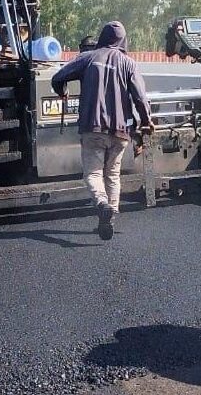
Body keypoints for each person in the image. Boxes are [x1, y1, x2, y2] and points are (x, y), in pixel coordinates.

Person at [51, 21, 152, 240]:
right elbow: (141, 99)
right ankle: (110, 218)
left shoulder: (88, 58)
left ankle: (101, 203)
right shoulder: (129, 64)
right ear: (123, 40)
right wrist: (146, 122)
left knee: (94, 173)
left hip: (93, 128)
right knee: (113, 175)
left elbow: (58, 77)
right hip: (120, 131)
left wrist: (63, 90)